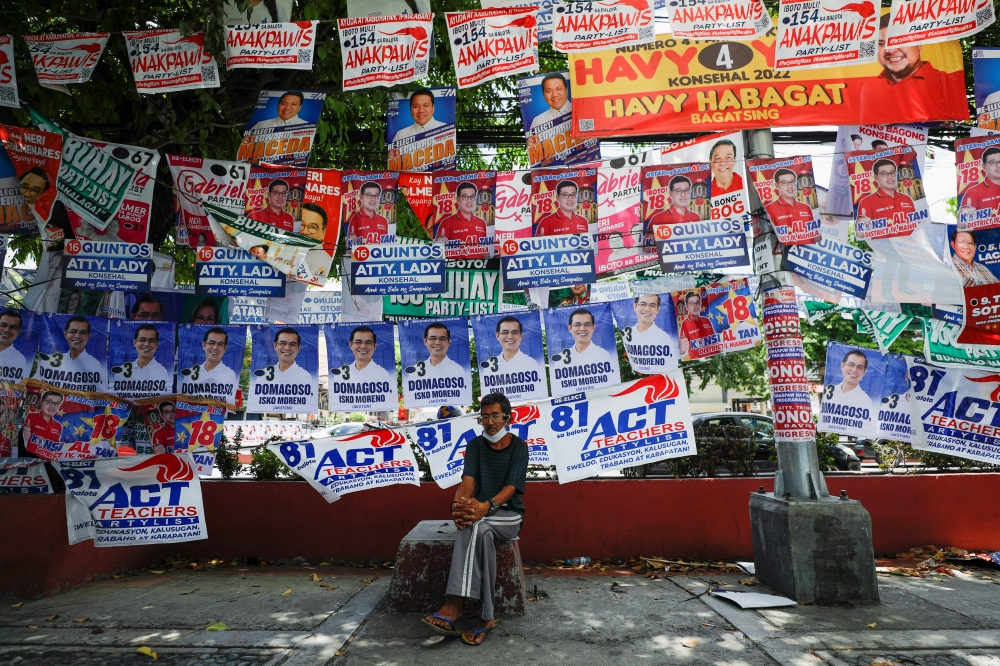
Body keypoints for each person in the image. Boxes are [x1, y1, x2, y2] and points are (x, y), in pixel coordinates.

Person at [422, 392, 528, 646]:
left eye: (495, 416)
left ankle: (455, 603)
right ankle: (486, 616)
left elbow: (511, 489)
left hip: (508, 515)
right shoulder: (476, 446)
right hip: (479, 515)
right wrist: (459, 506)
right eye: (484, 416)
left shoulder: (519, 447)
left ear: (507, 418)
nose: (490, 422)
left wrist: (487, 506)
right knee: (480, 532)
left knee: (477, 524)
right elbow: (467, 483)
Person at [860, 15, 949, 122]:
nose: (890, 50)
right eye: (881, 44)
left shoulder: (944, 81)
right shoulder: (870, 88)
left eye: (899, 41)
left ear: (919, 44)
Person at [36, 316, 107, 393]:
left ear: (88, 336)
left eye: (83, 332)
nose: (77, 336)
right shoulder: (50, 361)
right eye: (73, 331)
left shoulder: (94, 364)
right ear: (65, 333)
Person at [181, 328, 239, 406]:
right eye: (211, 343)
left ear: (225, 348)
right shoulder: (191, 373)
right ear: (204, 345)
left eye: (220, 344)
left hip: (216, 417)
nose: (215, 347)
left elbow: (228, 405)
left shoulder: (229, 374)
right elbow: (183, 403)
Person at [856, 159, 916, 231]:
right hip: (882, 242)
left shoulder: (907, 198)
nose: (890, 177)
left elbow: (917, 224)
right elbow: (861, 234)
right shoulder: (866, 202)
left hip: (910, 241)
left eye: (892, 173)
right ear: (876, 177)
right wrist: (862, 224)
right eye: (884, 174)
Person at [114, 324, 171, 398]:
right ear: (135, 342)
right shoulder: (122, 370)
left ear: (157, 344)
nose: (146, 344)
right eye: (142, 339)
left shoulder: (161, 371)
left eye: (151, 340)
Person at [435, 182, 487, 255]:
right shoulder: (446, 222)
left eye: (472, 196)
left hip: (480, 265)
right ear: (457, 199)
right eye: (465, 197)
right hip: (455, 265)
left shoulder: (481, 222)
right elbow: (438, 253)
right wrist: (438, 244)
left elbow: (484, 249)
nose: (469, 200)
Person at [764, 168, 815, 236]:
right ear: (777, 185)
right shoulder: (769, 208)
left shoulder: (806, 207)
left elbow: (814, 234)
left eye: (792, 182)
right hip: (782, 246)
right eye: (784, 183)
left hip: (805, 246)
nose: (790, 186)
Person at [825, 350, 874, 419]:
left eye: (859, 367)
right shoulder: (828, 391)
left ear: (864, 372)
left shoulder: (865, 400)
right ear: (842, 366)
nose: (854, 370)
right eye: (851, 364)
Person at [959, 147, 1000, 219]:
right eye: (993, 162)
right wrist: (964, 215)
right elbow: (963, 226)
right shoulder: (973, 192)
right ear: (983, 166)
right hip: (987, 229)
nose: (998, 166)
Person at [22, 390, 64, 456]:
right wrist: (23, 431)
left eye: (56, 403)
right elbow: (24, 435)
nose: (52, 406)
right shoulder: (31, 416)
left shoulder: (58, 426)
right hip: (30, 460)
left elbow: (55, 448)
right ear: (41, 402)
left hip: (47, 462)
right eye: (49, 402)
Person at [678, 292, 715, 358]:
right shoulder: (685, 324)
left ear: (700, 304)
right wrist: (681, 350)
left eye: (697, 303)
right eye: (692, 303)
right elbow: (682, 350)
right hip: (699, 361)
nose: (695, 306)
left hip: (714, 357)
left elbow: (715, 341)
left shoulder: (706, 320)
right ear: (686, 306)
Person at [0, 310, 30, 382]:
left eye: (13, 327)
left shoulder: (19, 359)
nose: (7, 330)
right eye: (3, 325)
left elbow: (18, 387)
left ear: (19, 332)